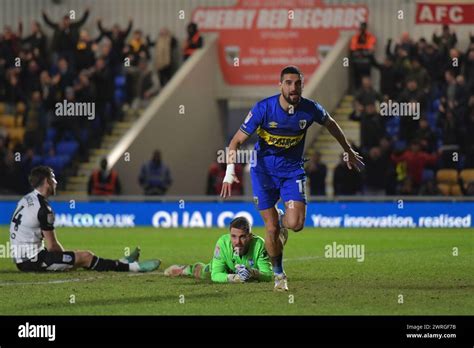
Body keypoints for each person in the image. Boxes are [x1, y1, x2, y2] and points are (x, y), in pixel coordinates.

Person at [220, 66, 364, 291]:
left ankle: (281, 220)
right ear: (280, 85)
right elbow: (235, 141)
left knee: (296, 224)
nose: (293, 88)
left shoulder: (310, 109)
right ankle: (279, 276)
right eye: (288, 83)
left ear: (302, 85)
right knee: (270, 229)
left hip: (291, 171)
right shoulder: (263, 109)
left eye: (297, 83)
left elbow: (332, 124)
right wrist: (229, 174)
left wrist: (348, 150)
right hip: (263, 172)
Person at [10, 166, 160, 272]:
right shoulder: (44, 209)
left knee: (78, 256)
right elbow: (52, 247)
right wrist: (68, 257)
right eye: (53, 178)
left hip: (22, 258)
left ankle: (122, 262)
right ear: (47, 182)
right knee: (85, 256)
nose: (56, 182)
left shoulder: (26, 199)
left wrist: (69, 257)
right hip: (33, 261)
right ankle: (133, 268)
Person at [164, 216, 275, 283]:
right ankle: (186, 269)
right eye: (233, 236)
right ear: (229, 235)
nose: (237, 242)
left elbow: (268, 275)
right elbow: (216, 275)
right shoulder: (222, 243)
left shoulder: (259, 245)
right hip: (227, 267)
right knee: (205, 273)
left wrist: (253, 273)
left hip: (249, 270)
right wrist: (235, 278)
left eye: (242, 237)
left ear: (250, 237)